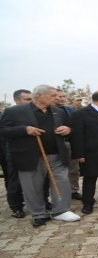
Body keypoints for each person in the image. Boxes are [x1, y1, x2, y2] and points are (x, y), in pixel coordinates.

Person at [0, 85, 80, 227]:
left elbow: (70, 129)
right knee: (32, 186)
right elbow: (4, 130)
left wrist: (67, 130)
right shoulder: (14, 111)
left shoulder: (58, 111)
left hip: (56, 155)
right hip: (30, 156)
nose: (57, 98)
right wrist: (25, 130)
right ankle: (39, 214)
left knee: (62, 182)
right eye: (53, 95)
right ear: (39, 96)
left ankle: (61, 211)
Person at [2, 89, 33, 218]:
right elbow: (3, 130)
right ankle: (16, 207)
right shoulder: (10, 112)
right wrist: (24, 130)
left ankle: (41, 201)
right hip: (15, 153)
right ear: (17, 100)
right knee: (15, 182)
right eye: (27, 99)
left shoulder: (33, 112)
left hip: (32, 152)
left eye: (31, 99)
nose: (30, 102)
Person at [55, 89, 82, 201]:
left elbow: (77, 126)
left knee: (73, 169)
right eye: (59, 96)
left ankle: (73, 190)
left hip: (69, 142)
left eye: (63, 96)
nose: (62, 98)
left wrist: (70, 129)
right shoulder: (47, 111)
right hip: (54, 144)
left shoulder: (70, 110)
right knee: (57, 171)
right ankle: (57, 193)